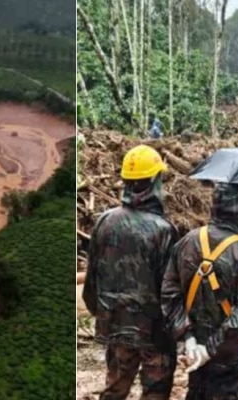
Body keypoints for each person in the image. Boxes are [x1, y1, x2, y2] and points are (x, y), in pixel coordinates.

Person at [83, 144, 178, 400]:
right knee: (155, 392)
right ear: (155, 181)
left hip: (115, 325)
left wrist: (101, 314)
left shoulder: (104, 220)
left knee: (114, 388)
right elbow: (169, 290)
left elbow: (92, 280)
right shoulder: (164, 230)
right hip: (153, 332)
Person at [161, 183, 238, 400]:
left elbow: (169, 294)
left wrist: (188, 339)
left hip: (196, 354)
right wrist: (210, 351)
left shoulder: (187, 242)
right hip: (235, 363)